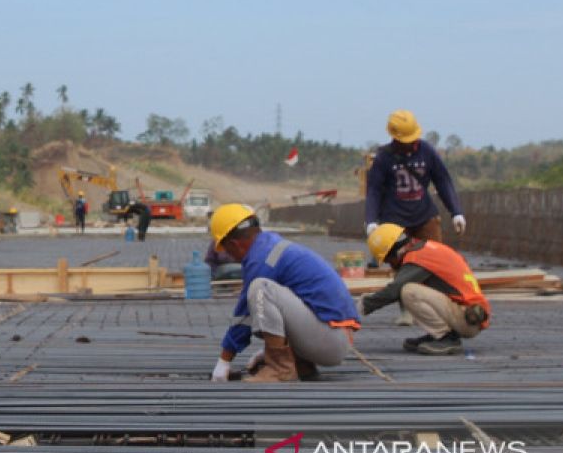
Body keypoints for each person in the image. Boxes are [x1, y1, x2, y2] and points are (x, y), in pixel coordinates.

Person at [208, 205, 359, 383]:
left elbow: (244, 317)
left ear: (234, 244)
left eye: (226, 249)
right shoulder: (270, 247)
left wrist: (224, 361)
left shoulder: (261, 259)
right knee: (272, 293)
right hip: (334, 336)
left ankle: (279, 369)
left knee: (260, 289)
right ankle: (299, 365)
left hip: (331, 341)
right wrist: (270, 350)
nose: (229, 256)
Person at [364, 110, 466, 325]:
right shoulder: (384, 157)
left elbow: (443, 181)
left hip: (424, 216)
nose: (411, 144)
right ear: (395, 138)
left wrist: (456, 211)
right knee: (401, 268)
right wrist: (371, 220)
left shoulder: (427, 151)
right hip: (395, 221)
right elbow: (373, 190)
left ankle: (440, 308)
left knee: (436, 263)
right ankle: (407, 310)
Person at [361, 223, 491, 355]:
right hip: (471, 314)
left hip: (469, 319)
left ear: (394, 252)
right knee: (412, 287)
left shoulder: (417, 258)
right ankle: (438, 334)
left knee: (408, 291)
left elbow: (394, 290)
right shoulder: (426, 249)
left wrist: (361, 307)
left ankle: (444, 337)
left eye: (388, 261)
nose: (391, 265)